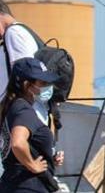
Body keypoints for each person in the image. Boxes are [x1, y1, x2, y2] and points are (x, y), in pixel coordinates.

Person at [1, 58, 63, 192]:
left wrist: (49, 157)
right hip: (27, 186)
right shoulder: (23, 109)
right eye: (42, 82)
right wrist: (32, 165)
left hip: (13, 184)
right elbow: (17, 143)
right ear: (26, 85)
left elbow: (22, 146)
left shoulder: (12, 107)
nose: (47, 86)